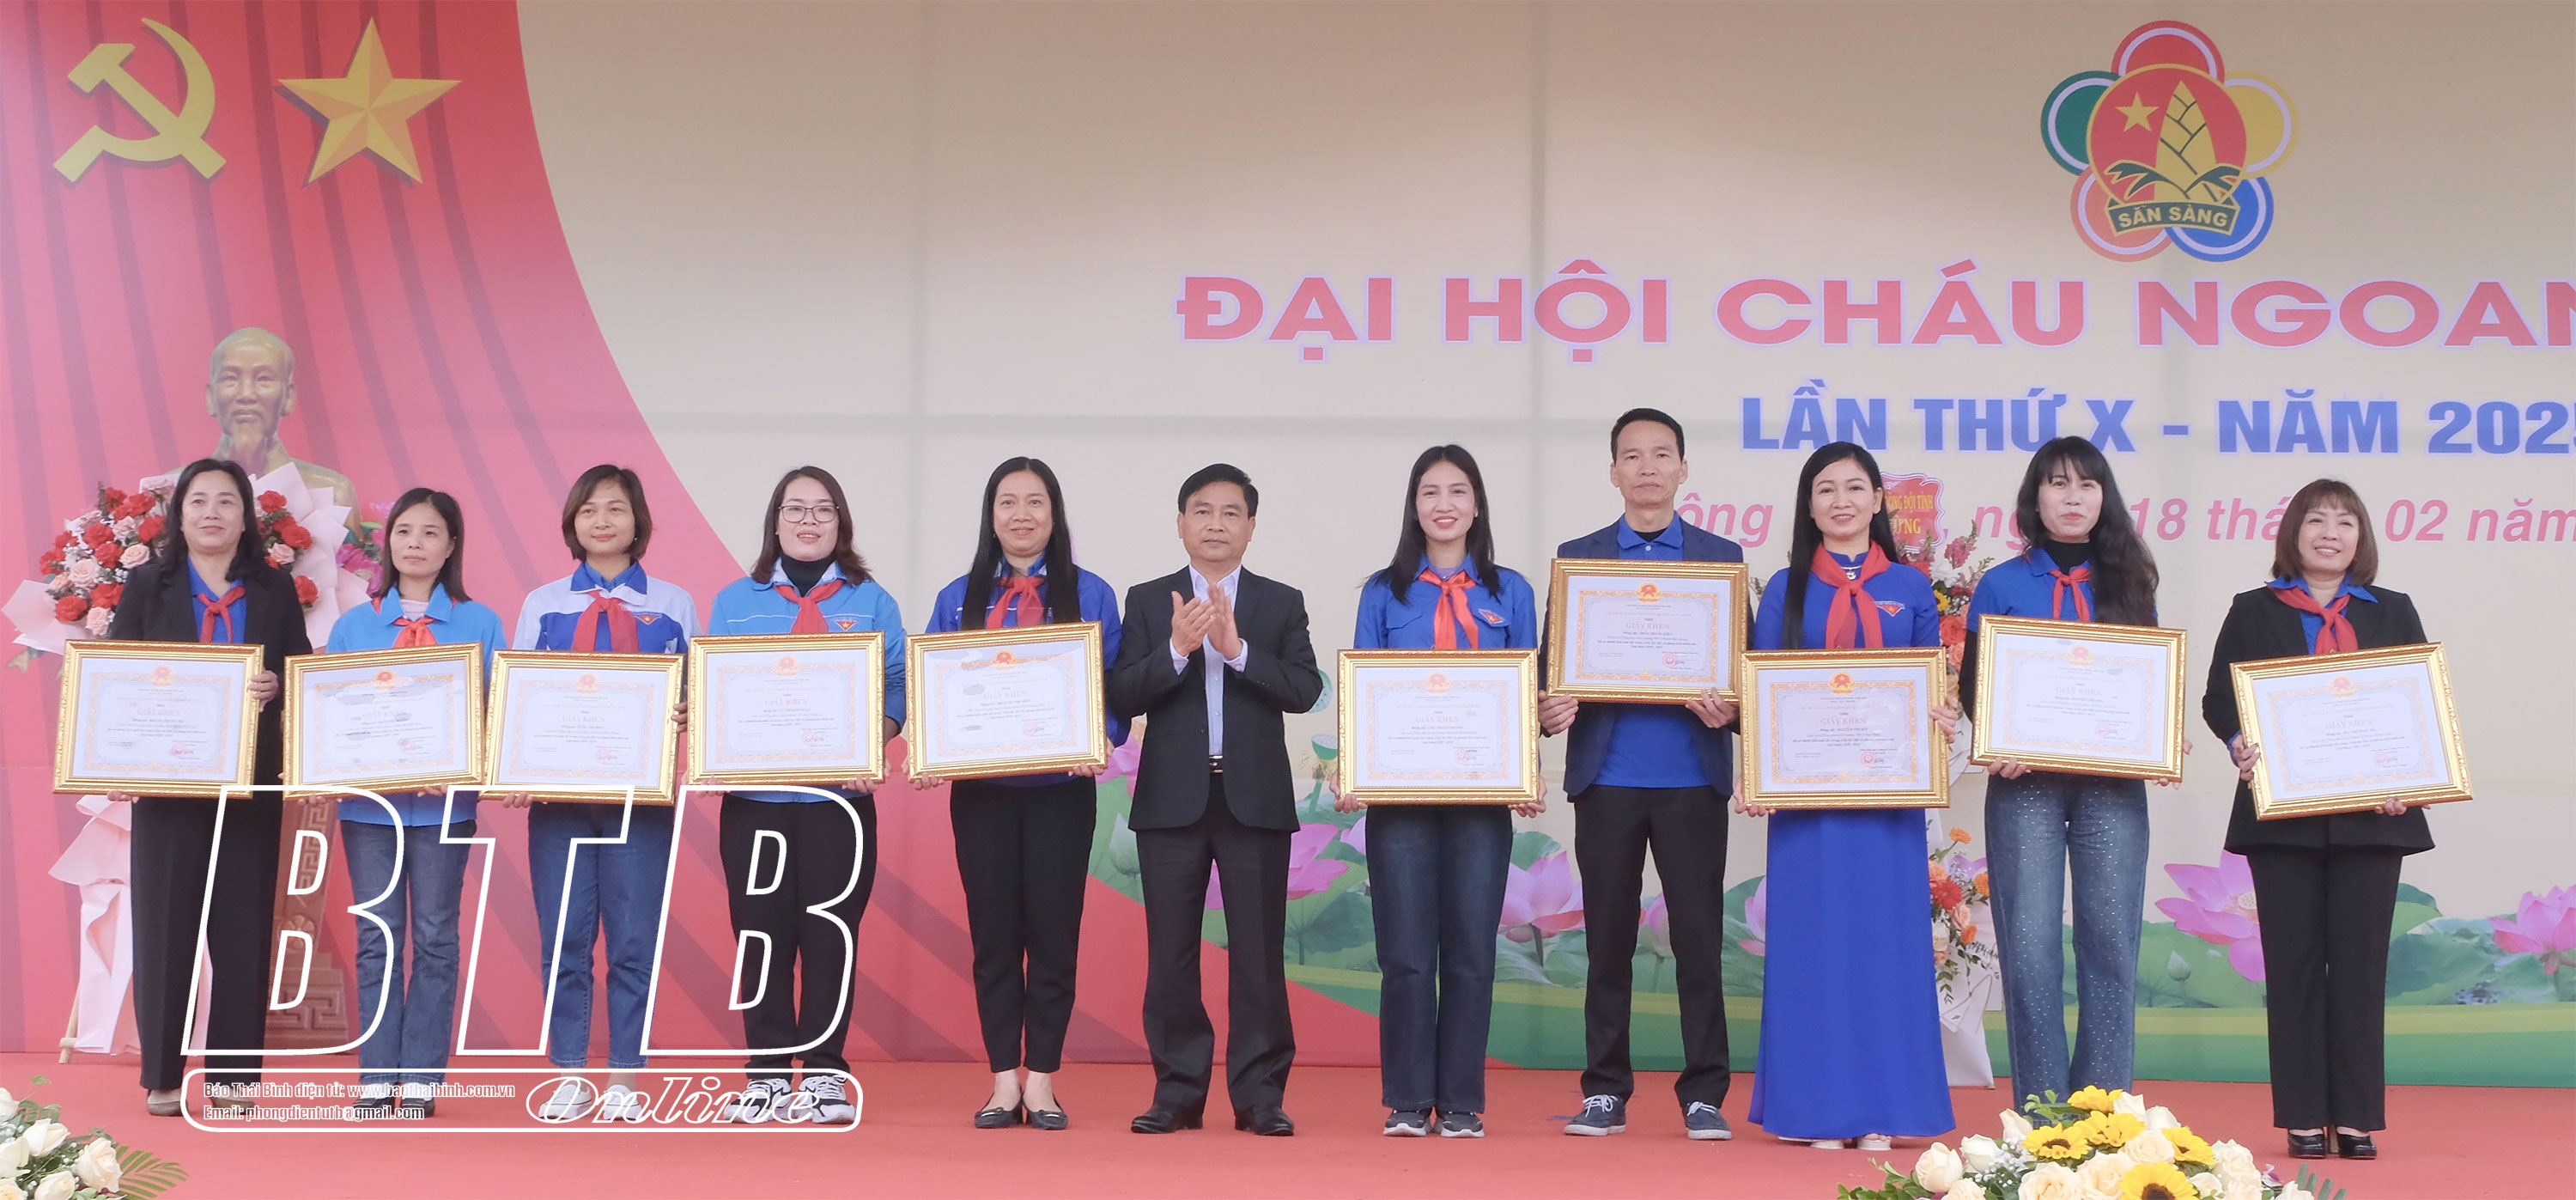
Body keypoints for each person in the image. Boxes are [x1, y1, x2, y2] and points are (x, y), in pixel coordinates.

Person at [2202, 478, 2433, 1162]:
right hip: (2283, 818)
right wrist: (2238, 740)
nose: (2330, 533)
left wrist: (2411, 774)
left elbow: (2416, 701)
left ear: (2362, 537)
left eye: (2345, 522)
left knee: (2360, 967)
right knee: (2294, 966)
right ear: (2293, 533)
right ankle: (2303, 1113)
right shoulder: (2254, 609)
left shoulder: (2393, 610)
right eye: (2316, 520)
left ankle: (2356, 1116)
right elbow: (2220, 697)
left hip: (2373, 817)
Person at [1743, 442, 1956, 1151]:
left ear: (1878, 500)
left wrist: (1941, 714)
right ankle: (1818, 1110)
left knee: (1885, 951)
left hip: (1888, 804)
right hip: (1808, 807)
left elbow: (1930, 683)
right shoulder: (1786, 587)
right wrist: (1757, 770)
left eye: (1855, 487)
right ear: (1809, 506)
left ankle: (1882, 1109)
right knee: (1814, 948)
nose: (1842, 500)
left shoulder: (1912, 587)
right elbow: (1763, 689)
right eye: (1826, 489)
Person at [1538, 408, 1743, 1142]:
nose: (1647, 467)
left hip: (1692, 779)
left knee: (1699, 941)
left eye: (1661, 454)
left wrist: (1734, 707)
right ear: (1614, 472)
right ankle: (1605, 1089)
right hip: (1608, 779)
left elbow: (1747, 675)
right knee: (1608, 941)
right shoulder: (1580, 558)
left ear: (1684, 469)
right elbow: (1550, 671)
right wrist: (1546, 709)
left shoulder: (1721, 558)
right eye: (1633, 455)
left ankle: (1705, 1092)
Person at [1107, 464, 1322, 1137]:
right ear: (1181, 523)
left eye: (1231, 512)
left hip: (1253, 798)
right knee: (1171, 954)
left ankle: (1260, 1095)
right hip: (1172, 800)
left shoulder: (1280, 602)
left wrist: (1238, 650)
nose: (1216, 524)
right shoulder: (1149, 600)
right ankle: (1178, 1091)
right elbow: (1122, 692)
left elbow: (1305, 689)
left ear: (1251, 526)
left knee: (1258, 955)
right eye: (1202, 510)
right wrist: (1176, 649)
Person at [1959, 436, 2170, 1113]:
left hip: (2112, 785)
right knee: (2029, 949)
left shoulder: (2132, 579)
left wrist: (2158, 739)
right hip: (2026, 784)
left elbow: (2146, 682)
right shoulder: (2002, 582)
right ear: (2035, 497)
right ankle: (2043, 1114)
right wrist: (1998, 738)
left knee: (2111, 943)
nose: (2072, 497)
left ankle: (2103, 1112)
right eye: (2057, 483)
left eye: (2086, 484)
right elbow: (1975, 686)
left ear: (2104, 497)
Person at [917, 457, 1126, 1131]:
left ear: (1055, 514)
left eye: (1036, 501)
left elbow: (1115, 689)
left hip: (1062, 792)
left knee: (1055, 934)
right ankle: (1003, 1077)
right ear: (991, 515)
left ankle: (1043, 1079)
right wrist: (930, 748)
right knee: (994, 935)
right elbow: (933, 690)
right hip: (982, 795)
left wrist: (1099, 738)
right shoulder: (958, 598)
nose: (1022, 514)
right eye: (1008, 501)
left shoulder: (1092, 594)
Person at [1340, 446, 1541, 1140]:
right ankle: (1405, 1098)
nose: (1445, 503)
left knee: (1471, 953)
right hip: (1399, 802)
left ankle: (1459, 1101)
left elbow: (1526, 690)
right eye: (1431, 491)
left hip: (1481, 802)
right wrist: (1354, 769)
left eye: (1458, 490)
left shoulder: (1511, 592)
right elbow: (1363, 690)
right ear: (1414, 505)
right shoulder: (1382, 592)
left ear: (1477, 505)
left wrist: (1526, 766)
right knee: (1403, 953)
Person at [107, 459, 312, 1117]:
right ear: (180, 514)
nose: (212, 512)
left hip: (251, 784)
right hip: (168, 788)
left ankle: (233, 1078)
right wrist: (119, 760)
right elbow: (115, 674)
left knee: (243, 931)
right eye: (199, 500)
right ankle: (164, 1076)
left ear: (246, 516)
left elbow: (301, 669)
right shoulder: (148, 584)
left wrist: (279, 685)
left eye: (227, 500)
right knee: (165, 931)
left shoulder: (274, 587)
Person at [702, 466, 898, 1128]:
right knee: (760, 936)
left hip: (838, 805)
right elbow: (715, 686)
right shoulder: (735, 601)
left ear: (841, 522)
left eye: (822, 509)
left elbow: (897, 685)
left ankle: (822, 1076)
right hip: (755, 803)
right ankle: (764, 1075)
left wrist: (877, 738)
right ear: (776, 521)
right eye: (795, 508)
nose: (808, 520)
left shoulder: (873, 602)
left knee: (829, 936)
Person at [508, 464, 696, 1123]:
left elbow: (697, 689)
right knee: (564, 939)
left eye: (615, 508)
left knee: (633, 941)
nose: (602, 520)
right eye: (589, 509)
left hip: (641, 801)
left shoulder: (673, 602)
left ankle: (623, 1076)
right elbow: (518, 697)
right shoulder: (542, 603)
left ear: (637, 520)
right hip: (558, 804)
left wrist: (688, 709)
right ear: (573, 522)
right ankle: (569, 1072)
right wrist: (513, 768)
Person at [321, 489, 509, 1118]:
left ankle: (423, 1078)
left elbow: (496, 712)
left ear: (451, 545)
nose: (415, 543)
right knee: (377, 937)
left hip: (445, 808)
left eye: (431, 532)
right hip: (369, 811)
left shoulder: (481, 623)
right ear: (388, 542)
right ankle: (377, 1078)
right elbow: (332, 715)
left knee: (434, 937)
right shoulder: (354, 626)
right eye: (404, 530)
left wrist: (455, 761)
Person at [189, 327, 357, 518]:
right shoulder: (172, 491)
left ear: (288, 397)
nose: (246, 394)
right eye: (231, 378)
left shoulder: (334, 494)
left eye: (264, 379)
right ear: (211, 397)